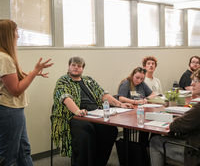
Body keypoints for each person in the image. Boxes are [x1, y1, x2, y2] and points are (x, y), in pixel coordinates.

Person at [51, 56, 133, 166]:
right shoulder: (63, 81)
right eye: (73, 65)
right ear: (69, 67)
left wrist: (120, 104)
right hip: (74, 115)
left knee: (110, 130)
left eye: (79, 66)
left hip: (94, 113)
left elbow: (103, 94)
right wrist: (77, 111)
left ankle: (99, 162)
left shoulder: (88, 80)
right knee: (86, 133)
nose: (76, 68)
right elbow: (65, 98)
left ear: (82, 69)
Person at [0, 19, 53, 166]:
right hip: (9, 110)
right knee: (8, 157)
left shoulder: (5, 56)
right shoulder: (4, 58)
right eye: (16, 32)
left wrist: (33, 74)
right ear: (7, 35)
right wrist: (35, 71)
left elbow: (10, 80)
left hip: (13, 109)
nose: (18, 36)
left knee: (23, 151)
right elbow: (15, 90)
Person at [150, 68, 200, 166]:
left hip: (195, 154)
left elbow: (179, 125)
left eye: (196, 81)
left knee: (155, 141)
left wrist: (173, 124)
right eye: (192, 81)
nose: (192, 84)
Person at [117, 67, 156, 148]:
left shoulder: (142, 84)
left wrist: (146, 99)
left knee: (150, 123)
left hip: (140, 110)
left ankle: (147, 146)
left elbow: (153, 94)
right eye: (137, 78)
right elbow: (121, 98)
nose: (139, 80)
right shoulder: (126, 83)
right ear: (132, 75)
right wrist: (136, 102)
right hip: (129, 113)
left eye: (142, 79)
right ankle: (141, 147)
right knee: (144, 124)